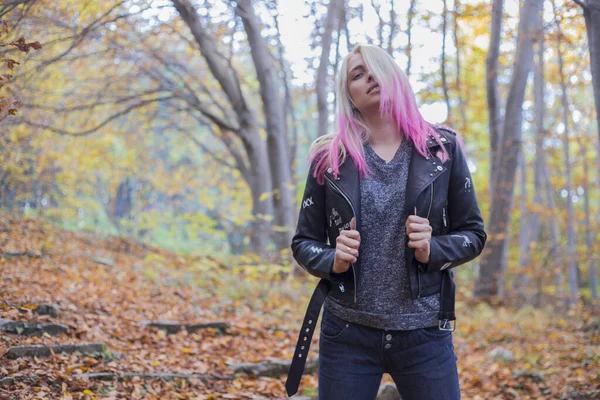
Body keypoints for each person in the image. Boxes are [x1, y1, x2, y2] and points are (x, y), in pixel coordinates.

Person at [285, 44, 487, 400]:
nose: (369, 78)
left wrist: (433, 248)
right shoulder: (330, 158)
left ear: (395, 76)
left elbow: (474, 234)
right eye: (357, 75)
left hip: (425, 334)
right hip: (347, 333)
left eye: (376, 69)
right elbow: (303, 242)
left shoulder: (442, 149)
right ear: (348, 94)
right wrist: (331, 258)